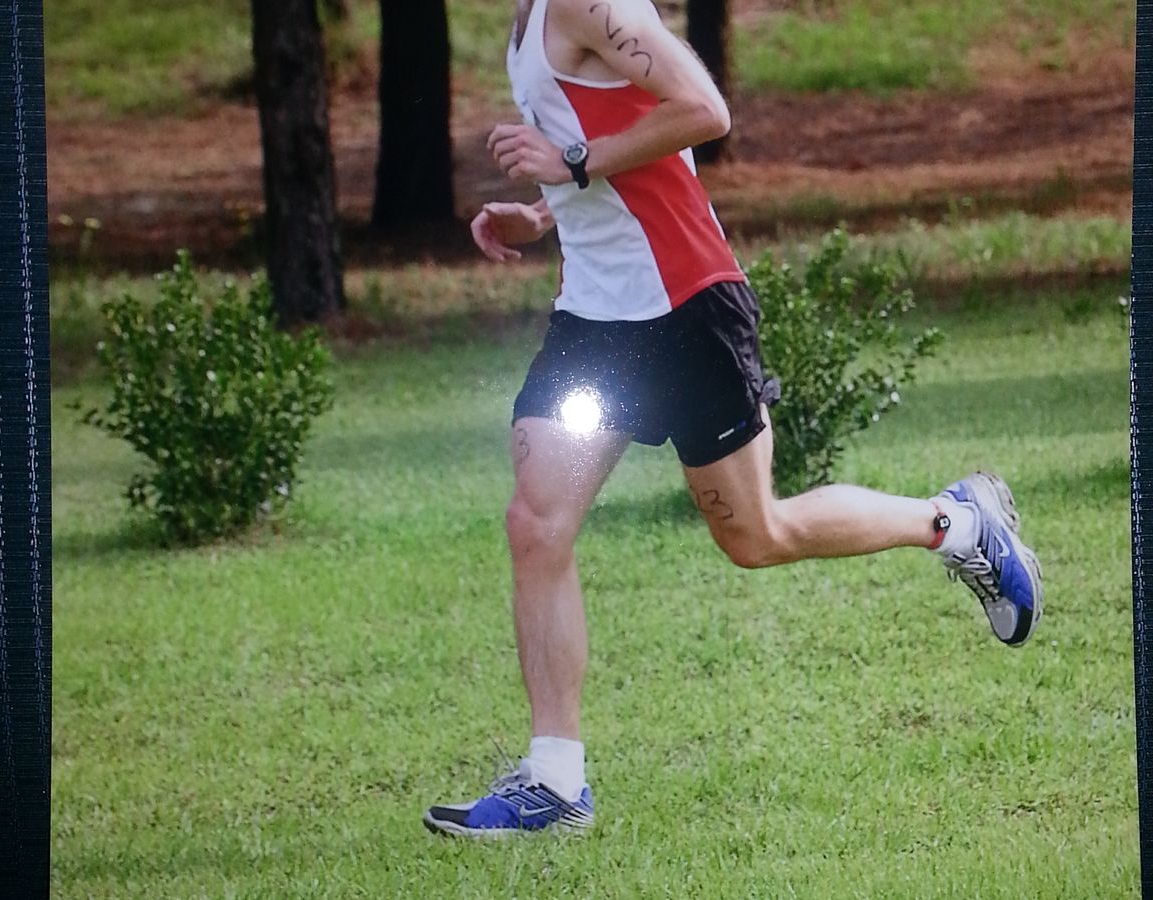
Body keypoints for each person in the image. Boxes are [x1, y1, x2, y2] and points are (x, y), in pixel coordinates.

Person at [422, 0, 1043, 839]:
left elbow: (702, 111)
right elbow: (612, 131)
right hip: (597, 317)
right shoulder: (530, 12)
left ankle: (956, 523)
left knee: (755, 535)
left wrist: (569, 162)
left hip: (685, 304)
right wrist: (546, 209)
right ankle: (556, 783)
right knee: (536, 524)